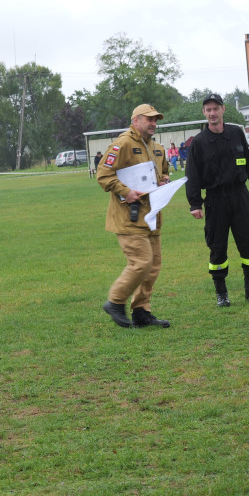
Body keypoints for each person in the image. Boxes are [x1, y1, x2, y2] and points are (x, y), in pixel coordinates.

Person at [185, 93, 249, 307]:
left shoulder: (236, 133)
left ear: (223, 109)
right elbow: (192, 174)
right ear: (204, 113)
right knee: (218, 246)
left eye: (216, 108)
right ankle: (221, 294)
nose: (212, 113)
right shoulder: (199, 142)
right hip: (215, 200)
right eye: (208, 110)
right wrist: (195, 203)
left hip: (240, 196)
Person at [96, 104, 172, 328]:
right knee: (141, 262)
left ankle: (141, 311)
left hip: (152, 215)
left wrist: (163, 180)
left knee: (153, 265)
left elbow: (164, 171)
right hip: (129, 216)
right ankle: (115, 301)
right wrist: (126, 192)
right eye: (149, 119)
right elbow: (103, 174)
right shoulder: (122, 144)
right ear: (136, 120)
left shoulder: (157, 147)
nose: (153, 123)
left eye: (155, 120)